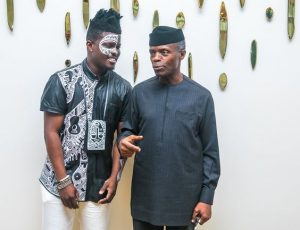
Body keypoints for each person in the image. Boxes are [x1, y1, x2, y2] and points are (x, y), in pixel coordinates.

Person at [118, 26, 220, 230]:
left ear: (181, 54)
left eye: (164, 52)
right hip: (146, 197)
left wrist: (207, 197)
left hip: (185, 200)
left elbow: (210, 152)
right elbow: (127, 130)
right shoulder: (139, 93)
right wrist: (123, 141)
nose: (156, 58)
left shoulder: (201, 97)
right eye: (152, 52)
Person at [39, 9, 131, 230]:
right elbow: (51, 132)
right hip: (57, 183)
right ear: (90, 45)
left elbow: (123, 137)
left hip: (98, 187)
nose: (115, 52)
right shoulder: (61, 81)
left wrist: (114, 178)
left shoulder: (123, 88)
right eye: (109, 45)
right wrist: (63, 181)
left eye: (118, 46)